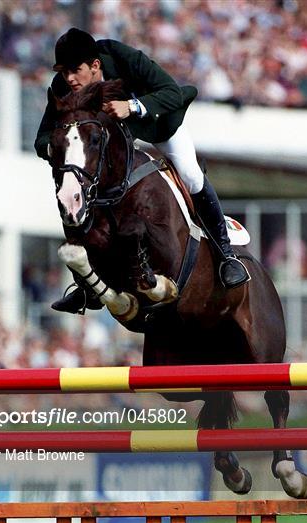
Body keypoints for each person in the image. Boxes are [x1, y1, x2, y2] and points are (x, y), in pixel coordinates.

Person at [35, 28, 250, 314]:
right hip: (114, 146)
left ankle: (226, 255)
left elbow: (171, 92)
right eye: (64, 72)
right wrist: (57, 147)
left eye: (76, 70)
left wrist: (133, 107)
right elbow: (42, 138)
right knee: (80, 189)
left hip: (156, 126)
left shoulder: (122, 58)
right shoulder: (64, 87)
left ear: (95, 65)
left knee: (190, 174)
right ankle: (86, 285)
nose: (70, 79)